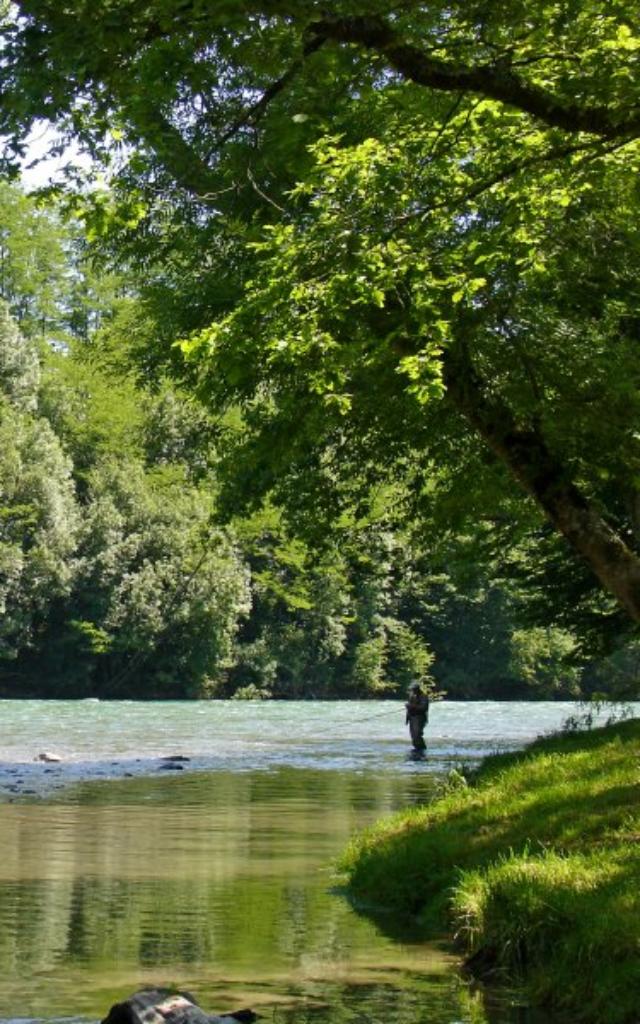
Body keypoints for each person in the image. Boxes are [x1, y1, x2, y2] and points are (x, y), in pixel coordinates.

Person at [405, 682, 429, 750]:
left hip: (420, 719)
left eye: (413, 689)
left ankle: (422, 750)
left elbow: (424, 708)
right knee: (413, 737)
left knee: (417, 736)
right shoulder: (411, 696)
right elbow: (409, 709)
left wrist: (411, 706)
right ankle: (417, 750)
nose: (412, 691)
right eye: (411, 689)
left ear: (417, 689)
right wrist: (407, 719)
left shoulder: (423, 696)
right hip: (412, 719)